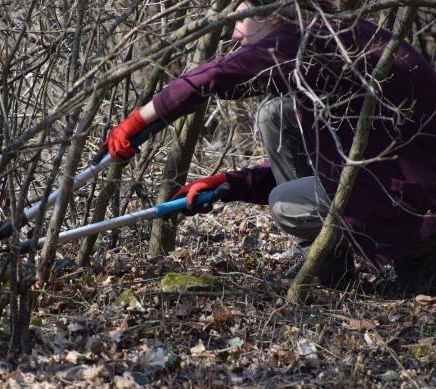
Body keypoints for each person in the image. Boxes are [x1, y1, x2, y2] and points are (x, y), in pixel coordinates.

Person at [96, 0, 436, 286]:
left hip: (415, 206)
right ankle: (330, 266)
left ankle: (413, 259)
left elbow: (215, 76)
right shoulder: (334, 38)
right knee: (276, 113)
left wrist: (139, 120)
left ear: (272, 14)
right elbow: (330, 167)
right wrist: (229, 184)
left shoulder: (305, 38)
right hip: (404, 191)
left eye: (240, 18)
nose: (234, 33)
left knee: (284, 202)